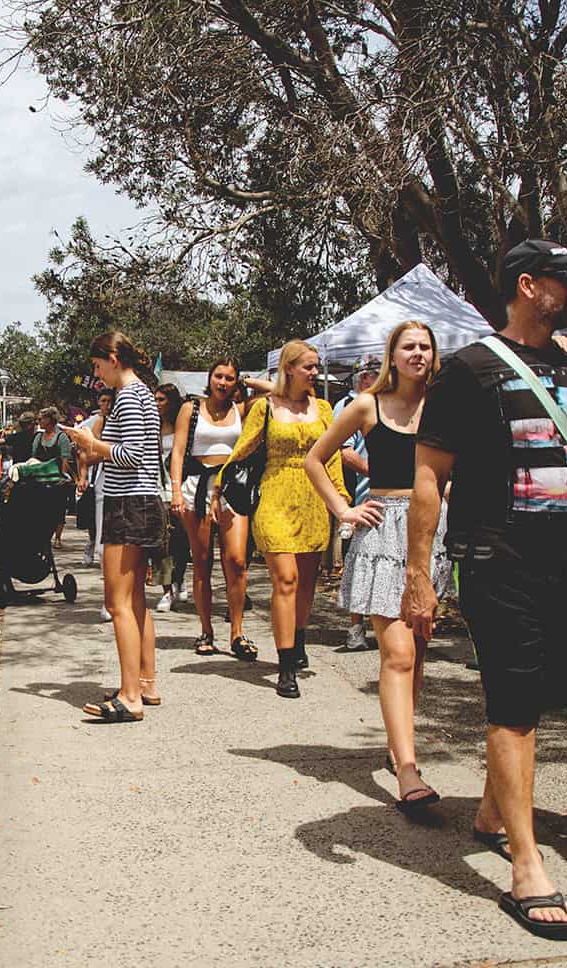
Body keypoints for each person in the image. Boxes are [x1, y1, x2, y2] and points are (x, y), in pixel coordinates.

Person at [404, 239, 567, 937]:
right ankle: (526, 867)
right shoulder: (469, 370)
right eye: (566, 280)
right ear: (529, 286)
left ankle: (492, 814)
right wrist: (420, 578)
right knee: (514, 707)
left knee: (540, 698)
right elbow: (429, 478)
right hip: (497, 561)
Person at [307, 321, 452, 809]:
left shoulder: (445, 404)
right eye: (408, 346)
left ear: (434, 355)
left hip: (432, 534)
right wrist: (344, 510)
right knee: (398, 654)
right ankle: (408, 771)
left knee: (418, 649)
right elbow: (316, 459)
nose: (417, 353)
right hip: (382, 530)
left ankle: (398, 747)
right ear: (392, 354)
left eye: (424, 346)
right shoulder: (367, 404)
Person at [213, 339, 346, 698]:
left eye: (317, 367)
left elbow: (331, 456)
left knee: (305, 583)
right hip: (274, 497)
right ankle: (285, 666)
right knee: (285, 580)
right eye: (310, 367)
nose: (315, 373)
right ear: (289, 369)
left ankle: (297, 639)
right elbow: (243, 449)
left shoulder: (324, 408)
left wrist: (340, 499)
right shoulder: (265, 408)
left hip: (314, 500)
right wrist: (220, 486)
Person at [64, 331, 165, 722]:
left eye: (96, 365)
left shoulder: (129, 395)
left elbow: (132, 454)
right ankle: (145, 683)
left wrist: (94, 443)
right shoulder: (143, 394)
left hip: (128, 505)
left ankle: (129, 696)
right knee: (135, 599)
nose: (96, 373)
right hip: (142, 502)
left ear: (111, 357)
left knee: (117, 602)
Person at [169, 359, 250, 657]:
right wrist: (176, 491)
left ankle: (237, 633)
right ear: (210, 378)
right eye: (219, 376)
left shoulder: (241, 409)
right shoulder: (190, 410)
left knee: (238, 561)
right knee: (201, 561)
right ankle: (206, 631)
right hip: (196, 486)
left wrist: (251, 384)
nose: (224, 382)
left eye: (230, 378)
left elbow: (275, 390)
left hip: (233, 487)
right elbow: (178, 452)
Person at [334, 355, 382, 650]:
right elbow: (345, 453)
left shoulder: (384, 403)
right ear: (362, 377)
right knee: (356, 563)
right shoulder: (348, 405)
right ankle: (355, 628)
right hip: (360, 496)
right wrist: (380, 473)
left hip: (386, 500)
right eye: (372, 373)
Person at [153, 383, 191, 612]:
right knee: (159, 544)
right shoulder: (152, 426)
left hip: (181, 488)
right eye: (155, 399)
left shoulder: (183, 425)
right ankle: (166, 591)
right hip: (157, 488)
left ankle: (179, 579)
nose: (157, 404)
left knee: (181, 542)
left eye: (161, 400)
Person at [76, 391, 115, 568]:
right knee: (96, 520)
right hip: (100, 478)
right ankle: (95, 549)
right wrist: (82, 477)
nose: (107, 405)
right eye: (103, 401)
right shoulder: (96, 423)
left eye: (110, 401)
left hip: (118, 477)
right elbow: (86, 455)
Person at [33, 406, 74, 548]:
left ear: (50, 420)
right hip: (40, 478)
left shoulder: (61, 437)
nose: (39, 421)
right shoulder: (38, 437)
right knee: (41, 509)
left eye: (41, 418)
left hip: (56, 478)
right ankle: (43, 536)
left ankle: (57, 538)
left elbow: (65, 459)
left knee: (58, 509)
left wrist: (62, 477)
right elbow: (34, 458)